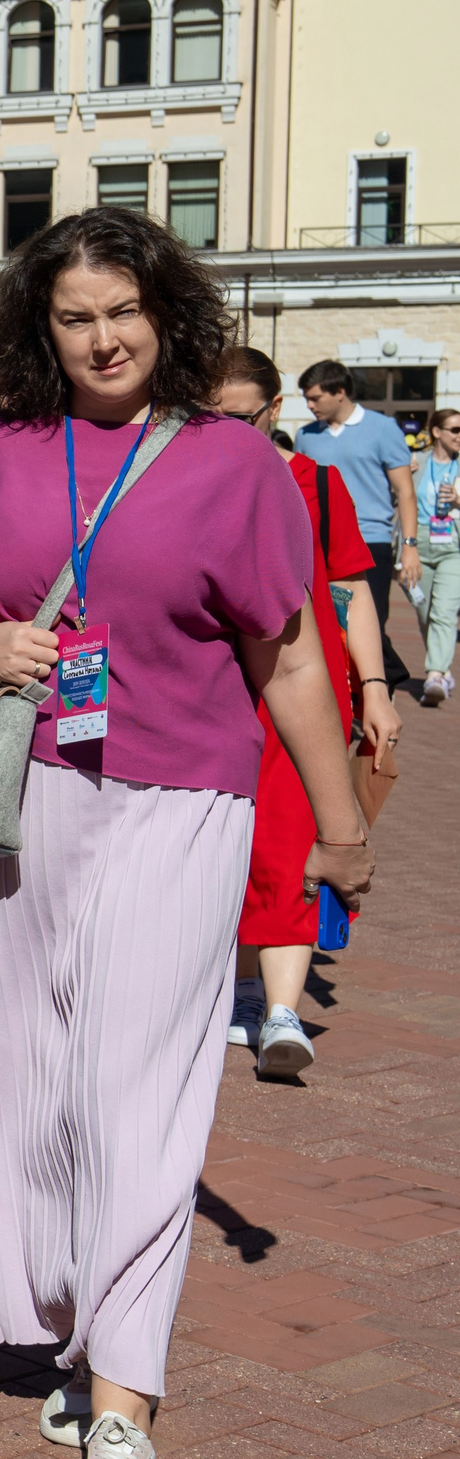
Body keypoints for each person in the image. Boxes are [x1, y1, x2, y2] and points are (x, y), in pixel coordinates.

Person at [0, 208, 375, 1459]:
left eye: (124, 311)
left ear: (166, 316)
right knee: (23, 1084)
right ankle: (70, 1323)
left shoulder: (235, 462)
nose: (103, 338)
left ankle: (122, 1419)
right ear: (38, 329)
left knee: (136, 1089)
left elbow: (286, 658)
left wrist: (336, 822)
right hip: (17, 798)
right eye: (74, 316)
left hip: (181, 804)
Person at [216, 348, 397, 1075]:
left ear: (272, 411)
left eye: (241, 417)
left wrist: (377, 688)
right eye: (213, 416)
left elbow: (353, 592)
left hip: (305, 692)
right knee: (227, 846)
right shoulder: (188, 482)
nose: (228, 431)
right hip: (217, 691)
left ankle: (282, 1011)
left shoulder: (313, 485)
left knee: (294, 843)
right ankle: (239, 988)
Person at [297, 359, 419, 688]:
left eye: (315, 398)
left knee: (366, 623)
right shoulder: (305, 435)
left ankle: (379, 687)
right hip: (319, 541)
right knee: (324, 624)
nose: (309, 405)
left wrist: (409, 547)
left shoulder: (383, 429)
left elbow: (405, 492)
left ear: (339, 392)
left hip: (370, 540)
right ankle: (346, 697)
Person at [412, 409, 460, 705]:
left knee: (444, 611)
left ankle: (435, 674)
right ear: (436, 432)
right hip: (416, 544)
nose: (459, 435)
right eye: (454, 429)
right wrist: (404, 473)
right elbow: (397, 497)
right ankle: (442, 667)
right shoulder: (415, 462)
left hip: (453, 545)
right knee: (424, 610)